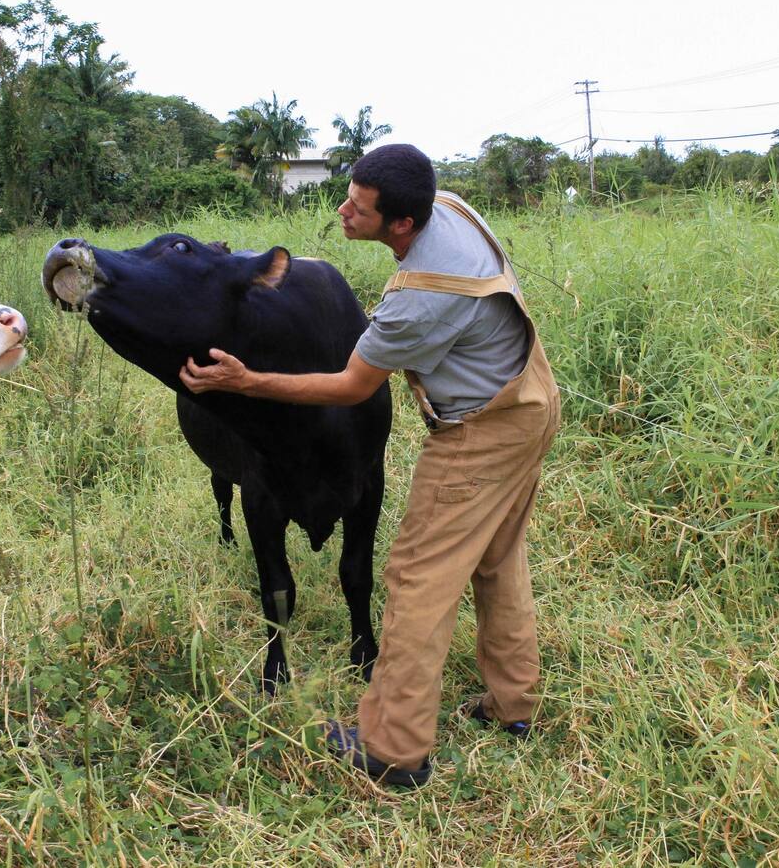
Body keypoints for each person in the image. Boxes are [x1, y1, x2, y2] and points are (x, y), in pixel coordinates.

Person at [180, 143, 560, 788]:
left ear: (403, 223)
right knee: (497, 560)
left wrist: (247, 382)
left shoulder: (418, 300)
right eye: (348, 195)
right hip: (531, 397)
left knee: (418, 579)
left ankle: (394, 749)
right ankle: (512, 705)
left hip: (480, 432)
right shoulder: (451, 207)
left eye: (358, 207)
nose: (342, 212)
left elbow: (352, 386)